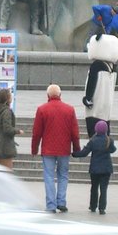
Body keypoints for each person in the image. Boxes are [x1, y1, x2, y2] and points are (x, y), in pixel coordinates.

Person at [31, 84, 80, 213]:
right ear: (60, 95)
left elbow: (36, 132)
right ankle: (61, 202)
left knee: (48, 176)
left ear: (48, 95)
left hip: (48, 150)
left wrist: (34, 149)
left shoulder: (42, 109)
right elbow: (75, 132)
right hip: (64, 149)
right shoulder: (69, 110)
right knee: (63, 175)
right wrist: (76, 148)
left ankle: (51, 205)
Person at [74, 119, 117, 214]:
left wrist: (74, 154)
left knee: (94, 187)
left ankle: (93, 206)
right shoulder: (109, 140)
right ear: (106, 130)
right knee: (103, 188)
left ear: (96, 129)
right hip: (106, 169)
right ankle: (102, 208)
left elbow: (84, 153)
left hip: (95, 169)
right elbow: (113, 150)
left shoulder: (93, 141)